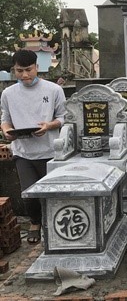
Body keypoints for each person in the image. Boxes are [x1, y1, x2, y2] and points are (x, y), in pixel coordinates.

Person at [1, 50, 66, 244]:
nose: (24, 75)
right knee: (28, 193)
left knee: (52, 192)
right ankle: (35, 223)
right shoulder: (8, 93)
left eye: (28, 70)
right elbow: (5, 119)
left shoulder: (53, 90)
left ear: (37, 67)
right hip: (23, 152)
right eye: (19, 71)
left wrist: (49, 125)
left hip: (50, 150)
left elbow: (63, 117)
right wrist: (7, 131)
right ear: (14, 70)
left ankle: (55, 224)